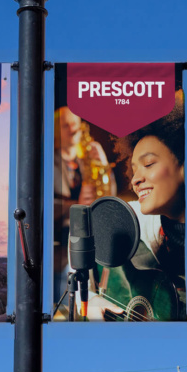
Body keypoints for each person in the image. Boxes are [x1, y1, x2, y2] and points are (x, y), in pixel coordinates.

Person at [85, 98, 186, 321]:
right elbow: (82, 236)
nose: (135, 180)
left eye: (148, 164)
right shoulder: (130, 219)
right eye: (133, 169)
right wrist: (90, 301)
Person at [53, 106, 115, 309]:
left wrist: (103, 164)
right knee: (64, 307)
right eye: (66, 125)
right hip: (60, 250)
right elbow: (42, 205)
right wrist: (76, 204)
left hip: (89, 244)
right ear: (56, 129)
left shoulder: (86, 161)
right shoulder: (47, 161)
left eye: (75, 124)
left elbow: (109, 195)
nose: (73, 130)